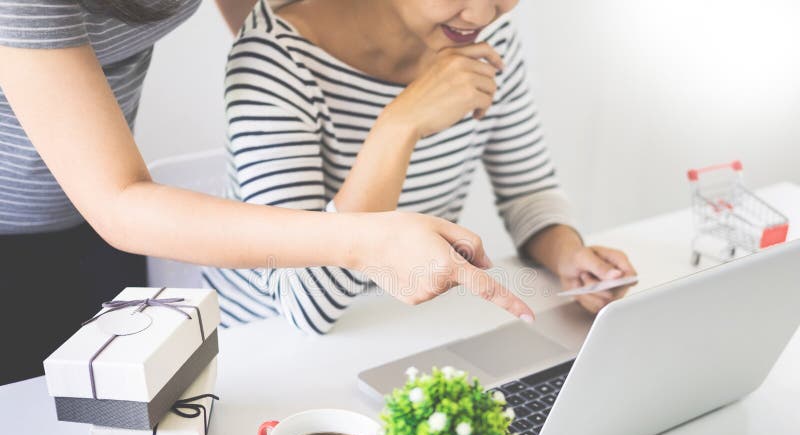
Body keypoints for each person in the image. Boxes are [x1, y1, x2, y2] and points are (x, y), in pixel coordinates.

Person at [0, 0, 535, 385]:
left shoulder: (484, 42)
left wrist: (282, 62)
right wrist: (361, 233)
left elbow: (269, 33)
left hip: (83, 218)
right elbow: (119, 204)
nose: (486, 14)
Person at [204, 0, 637, 334]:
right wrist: (398, 127)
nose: (485, 13)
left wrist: (569, 254)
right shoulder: (275, 58)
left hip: (406, 326)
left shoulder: (485, 38)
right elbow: (307, 308)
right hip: (269, 347)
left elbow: (527, 189)